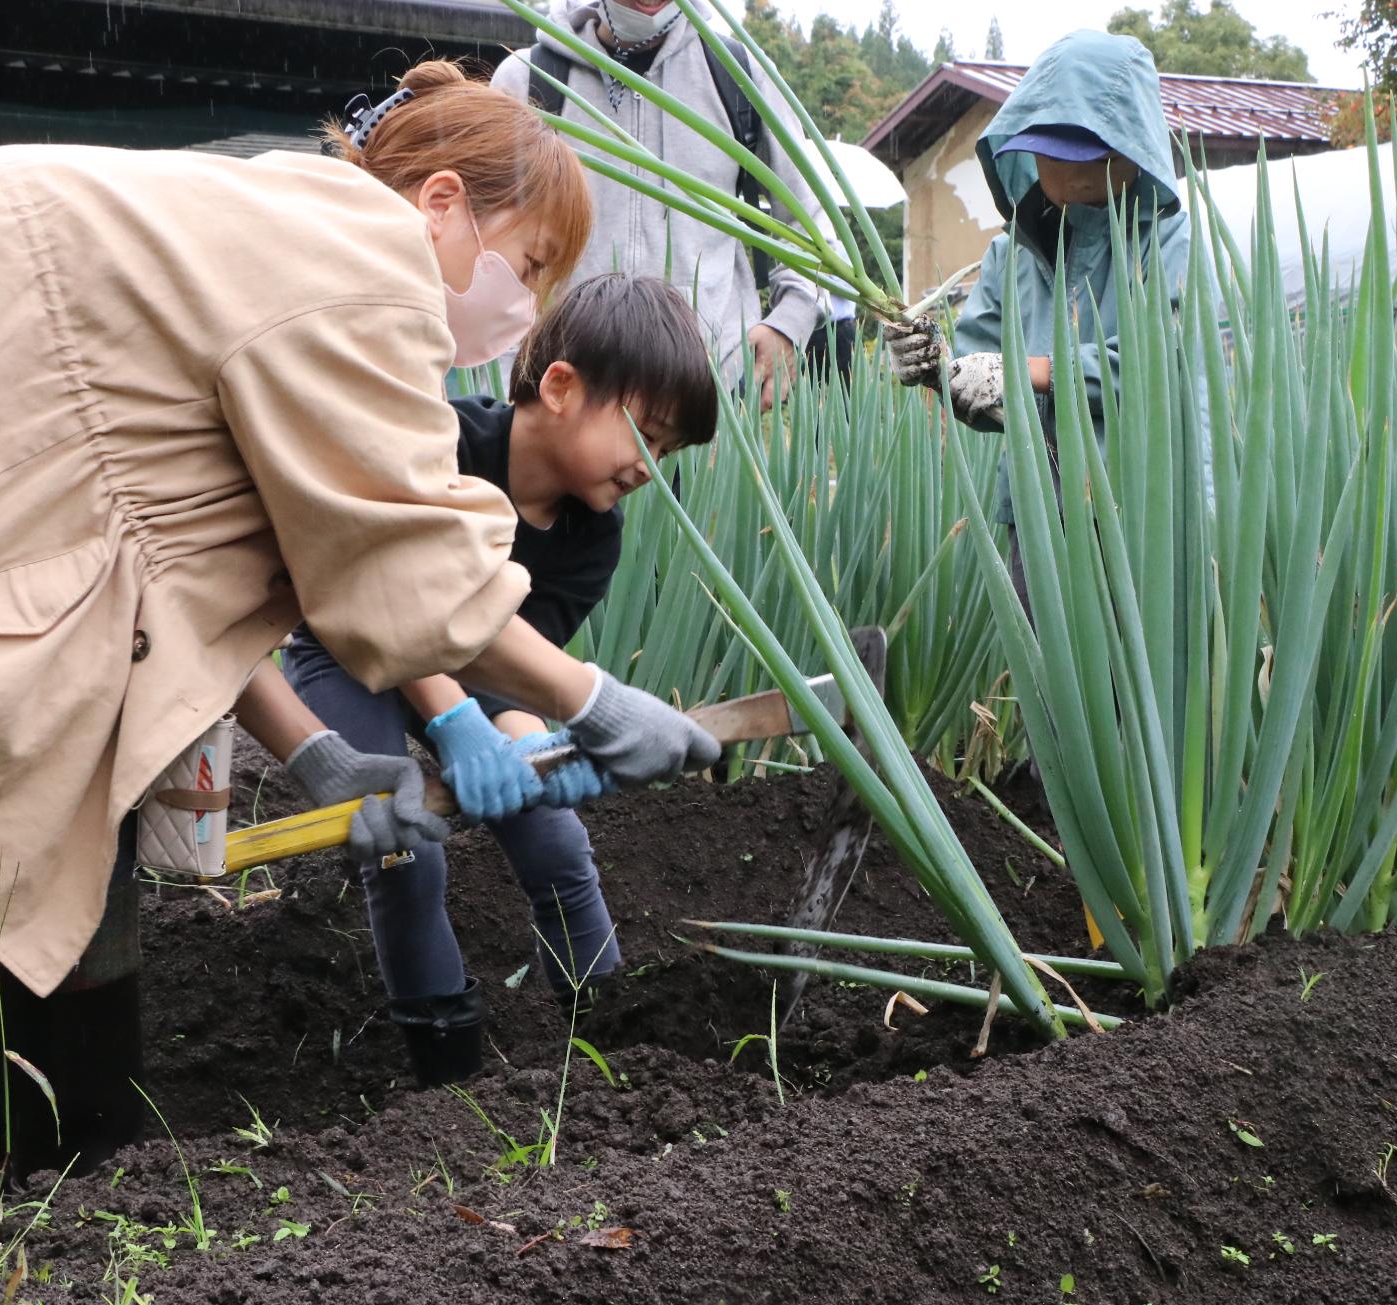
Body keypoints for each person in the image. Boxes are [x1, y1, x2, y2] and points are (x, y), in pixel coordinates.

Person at [0, 60, 718, 1194]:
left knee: (21, 786)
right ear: (441, 203)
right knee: (48, 787)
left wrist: (311, 752)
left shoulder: (290, 242)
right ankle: (85, 1178)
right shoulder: (361, 262)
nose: (524, 296)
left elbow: (179, 582)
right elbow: (403, 571)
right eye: (533, 258)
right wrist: (592, 700)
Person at [281, 273, 719, 1086]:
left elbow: (516, 673)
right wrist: (455, 726)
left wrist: (534, 749)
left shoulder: (593, 538)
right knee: (406, 849)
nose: (650, 468)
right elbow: (391, 602)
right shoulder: (443, 445)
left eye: (666, 452)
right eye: (645, 435)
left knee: (556, 840)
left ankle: (617, 1053)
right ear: (560, 386)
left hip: (469, 671)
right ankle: (447, 1079)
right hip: (346, 643)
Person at [885, 30, 1192, 605]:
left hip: (1139, 513)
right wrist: (933, 364)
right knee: (1046, 684)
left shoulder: (1169, 240)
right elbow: (979, 372)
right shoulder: (1012, 252)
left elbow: (1152, 366)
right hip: (1034, 508)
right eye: (1057, 153)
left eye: (1096, 153)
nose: (1076, 173)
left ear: (1136, 150)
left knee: (1137, 685)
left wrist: (1030, 371)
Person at [491, 0, 822, 408]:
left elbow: (814, 222)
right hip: (567, 395)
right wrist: (508, 380)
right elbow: (489, 245)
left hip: (709, 396)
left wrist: (789, 324)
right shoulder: (531, 80)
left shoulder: (739, 74)